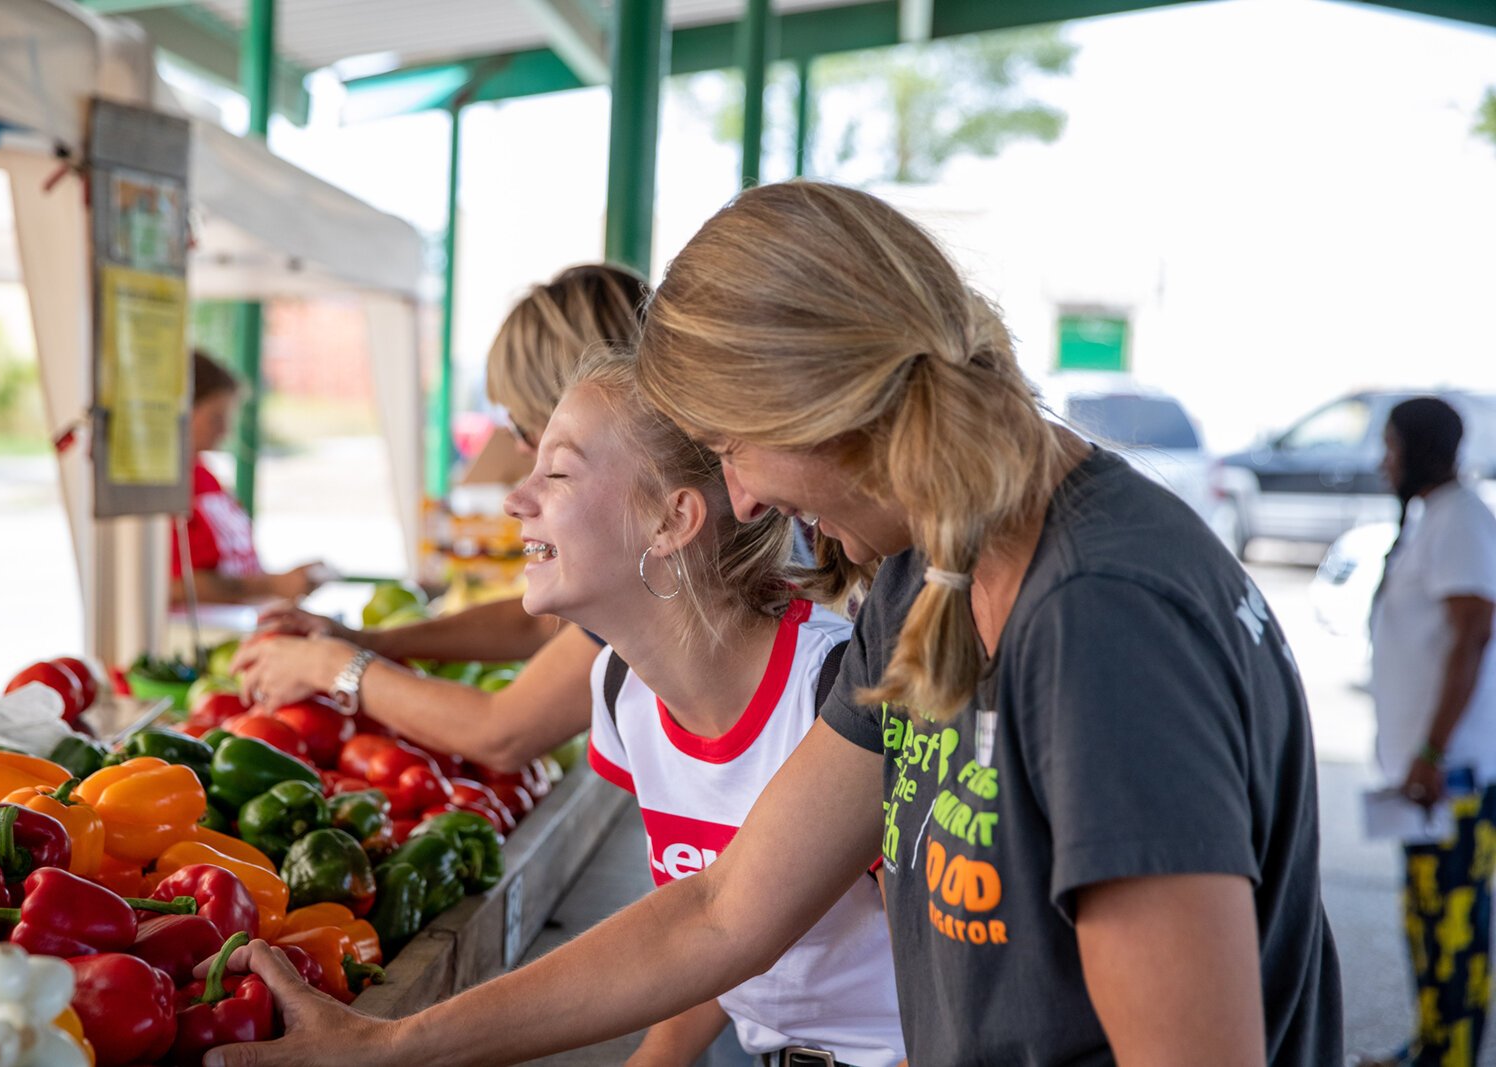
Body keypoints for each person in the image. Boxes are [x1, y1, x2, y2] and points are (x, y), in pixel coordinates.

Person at [202, 182, 1341, 1067]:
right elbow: (724, 908)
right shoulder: (929, 567)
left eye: (736, 444)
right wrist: (393, 1042)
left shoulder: (1099, 617)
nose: (741, 500)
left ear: (823, 404)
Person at [235, 265, 645, 770]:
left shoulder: (648, 545)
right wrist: (369, 642)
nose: (518, 448)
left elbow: (502, 733)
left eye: (523, 423)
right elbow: (544, 628)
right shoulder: (646, 530)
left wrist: (332, 665)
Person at [1355, 397, 1496, 1067]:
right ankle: (1433, 1046)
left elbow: (1472, 632)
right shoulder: (1432, 518)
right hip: (1425, 776)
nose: (1385, 462)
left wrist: (1432, 749)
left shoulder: (1460, 520)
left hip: (1454, 773)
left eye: (1392, 446)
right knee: (1428, 922)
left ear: (1420, 448)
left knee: (1457, 928)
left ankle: (1453, 1054)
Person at [172, 350, 332, 604]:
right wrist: (271, 585)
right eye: (215, 417)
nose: (225, 429)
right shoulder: (160, 489)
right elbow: (170, 586)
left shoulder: (205, 477)